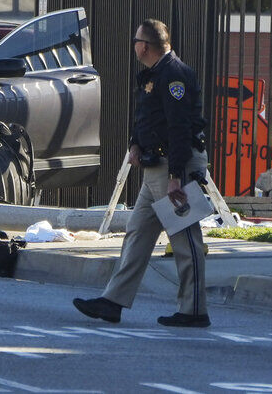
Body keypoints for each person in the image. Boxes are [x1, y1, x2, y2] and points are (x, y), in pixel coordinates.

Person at [73, 18, 211, 328]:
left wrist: (177, 175)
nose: (134, 45)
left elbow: (178, 129)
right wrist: (136, 144)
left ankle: (194, 310)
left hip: (173, 169)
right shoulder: (154, 75)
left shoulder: (174, 75)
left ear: (144, 46)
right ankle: (113, 301)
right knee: (137, 234)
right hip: (155, 170)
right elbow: (149, 118)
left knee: (186, 239)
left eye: (136, 40)